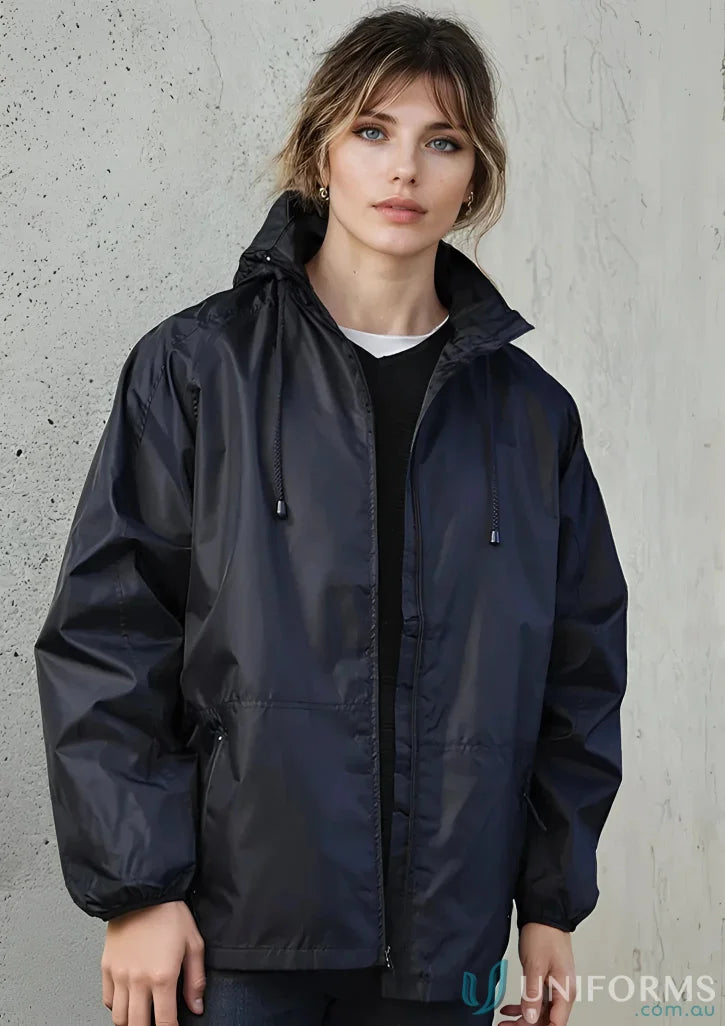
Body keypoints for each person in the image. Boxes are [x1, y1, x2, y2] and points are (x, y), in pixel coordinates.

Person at [33, 7, 628, 1026]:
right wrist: (138, 888)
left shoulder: (531, 416)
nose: (404, 169)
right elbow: (109, 634)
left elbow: (577, 674)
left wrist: (549, 901)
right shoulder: (198, 368)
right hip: (235, 936)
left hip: (448, 943)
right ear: (321, 153)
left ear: (473, 178)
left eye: (442, 142)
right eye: (372, 130)